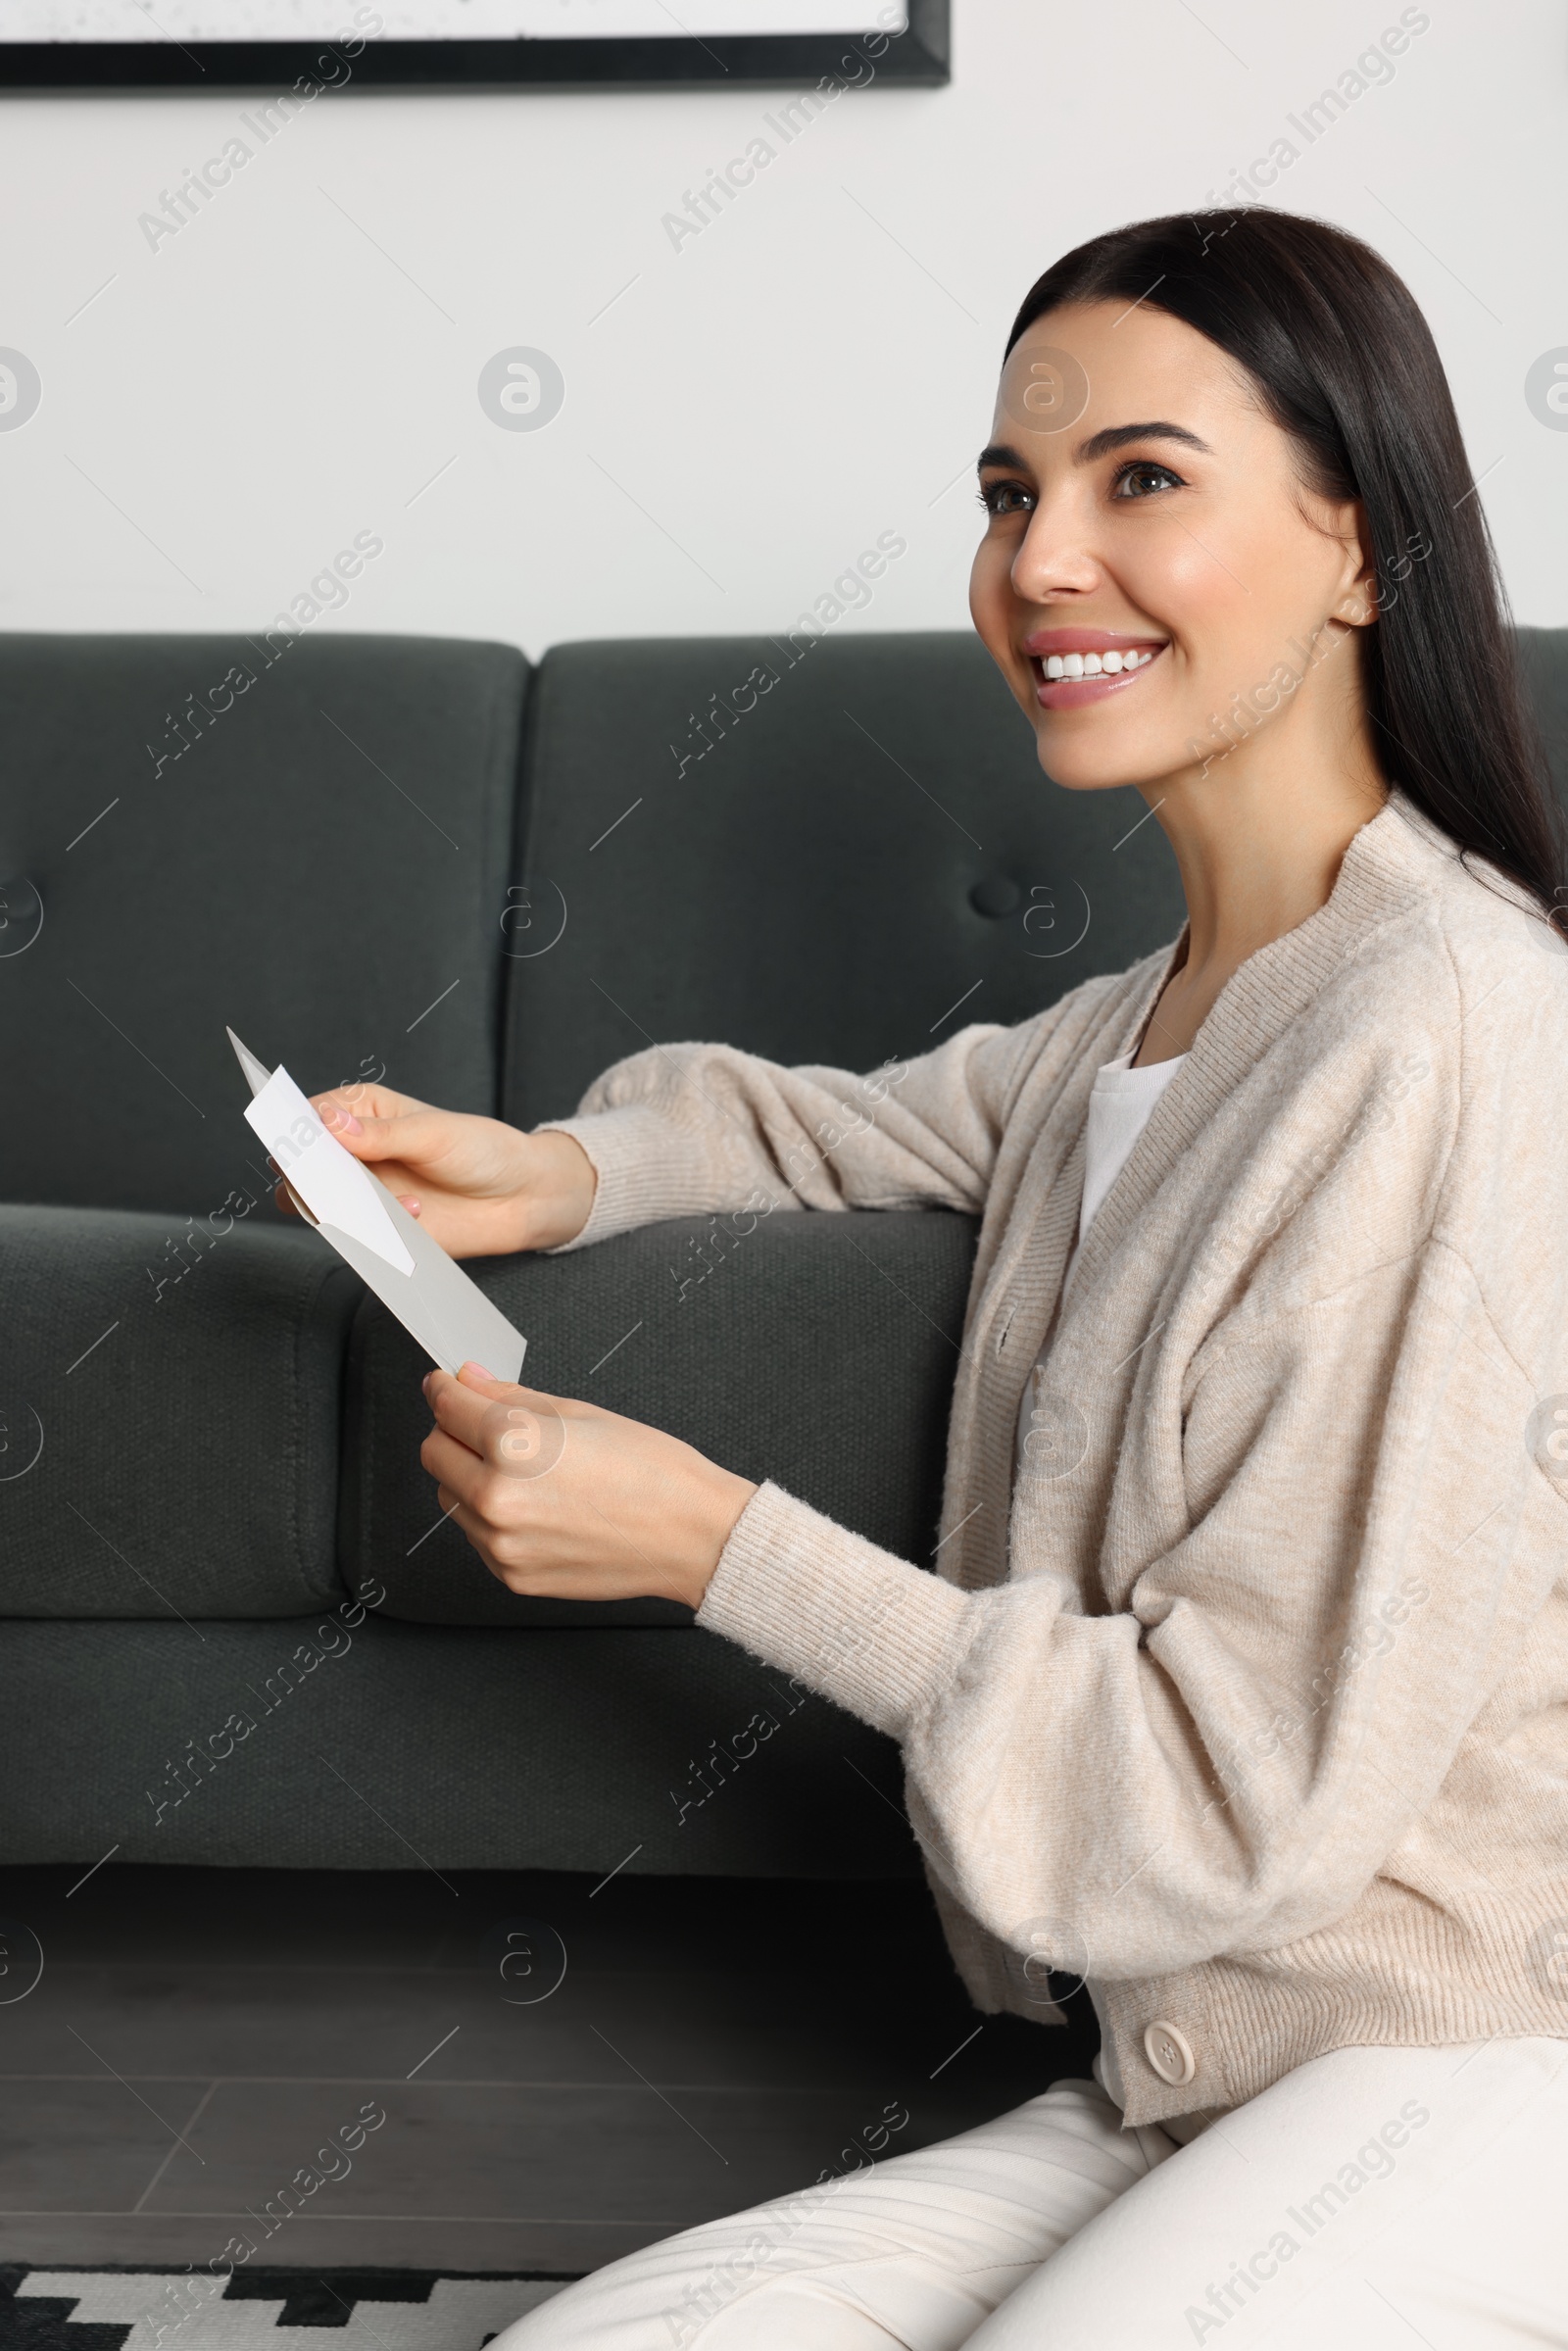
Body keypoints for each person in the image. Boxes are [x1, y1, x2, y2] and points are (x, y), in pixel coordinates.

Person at [289, 210, 1568, 2345]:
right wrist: (540, 1166)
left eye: (1134, 479)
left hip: (1460, 2068)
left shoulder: (1442, 1027)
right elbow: (828, 1124)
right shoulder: (1141, 1026)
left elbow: (1223, 1792)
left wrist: (709, 1545)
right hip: (1181, 2085)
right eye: (1005, 493)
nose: (1037, 560)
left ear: (1355, 545)